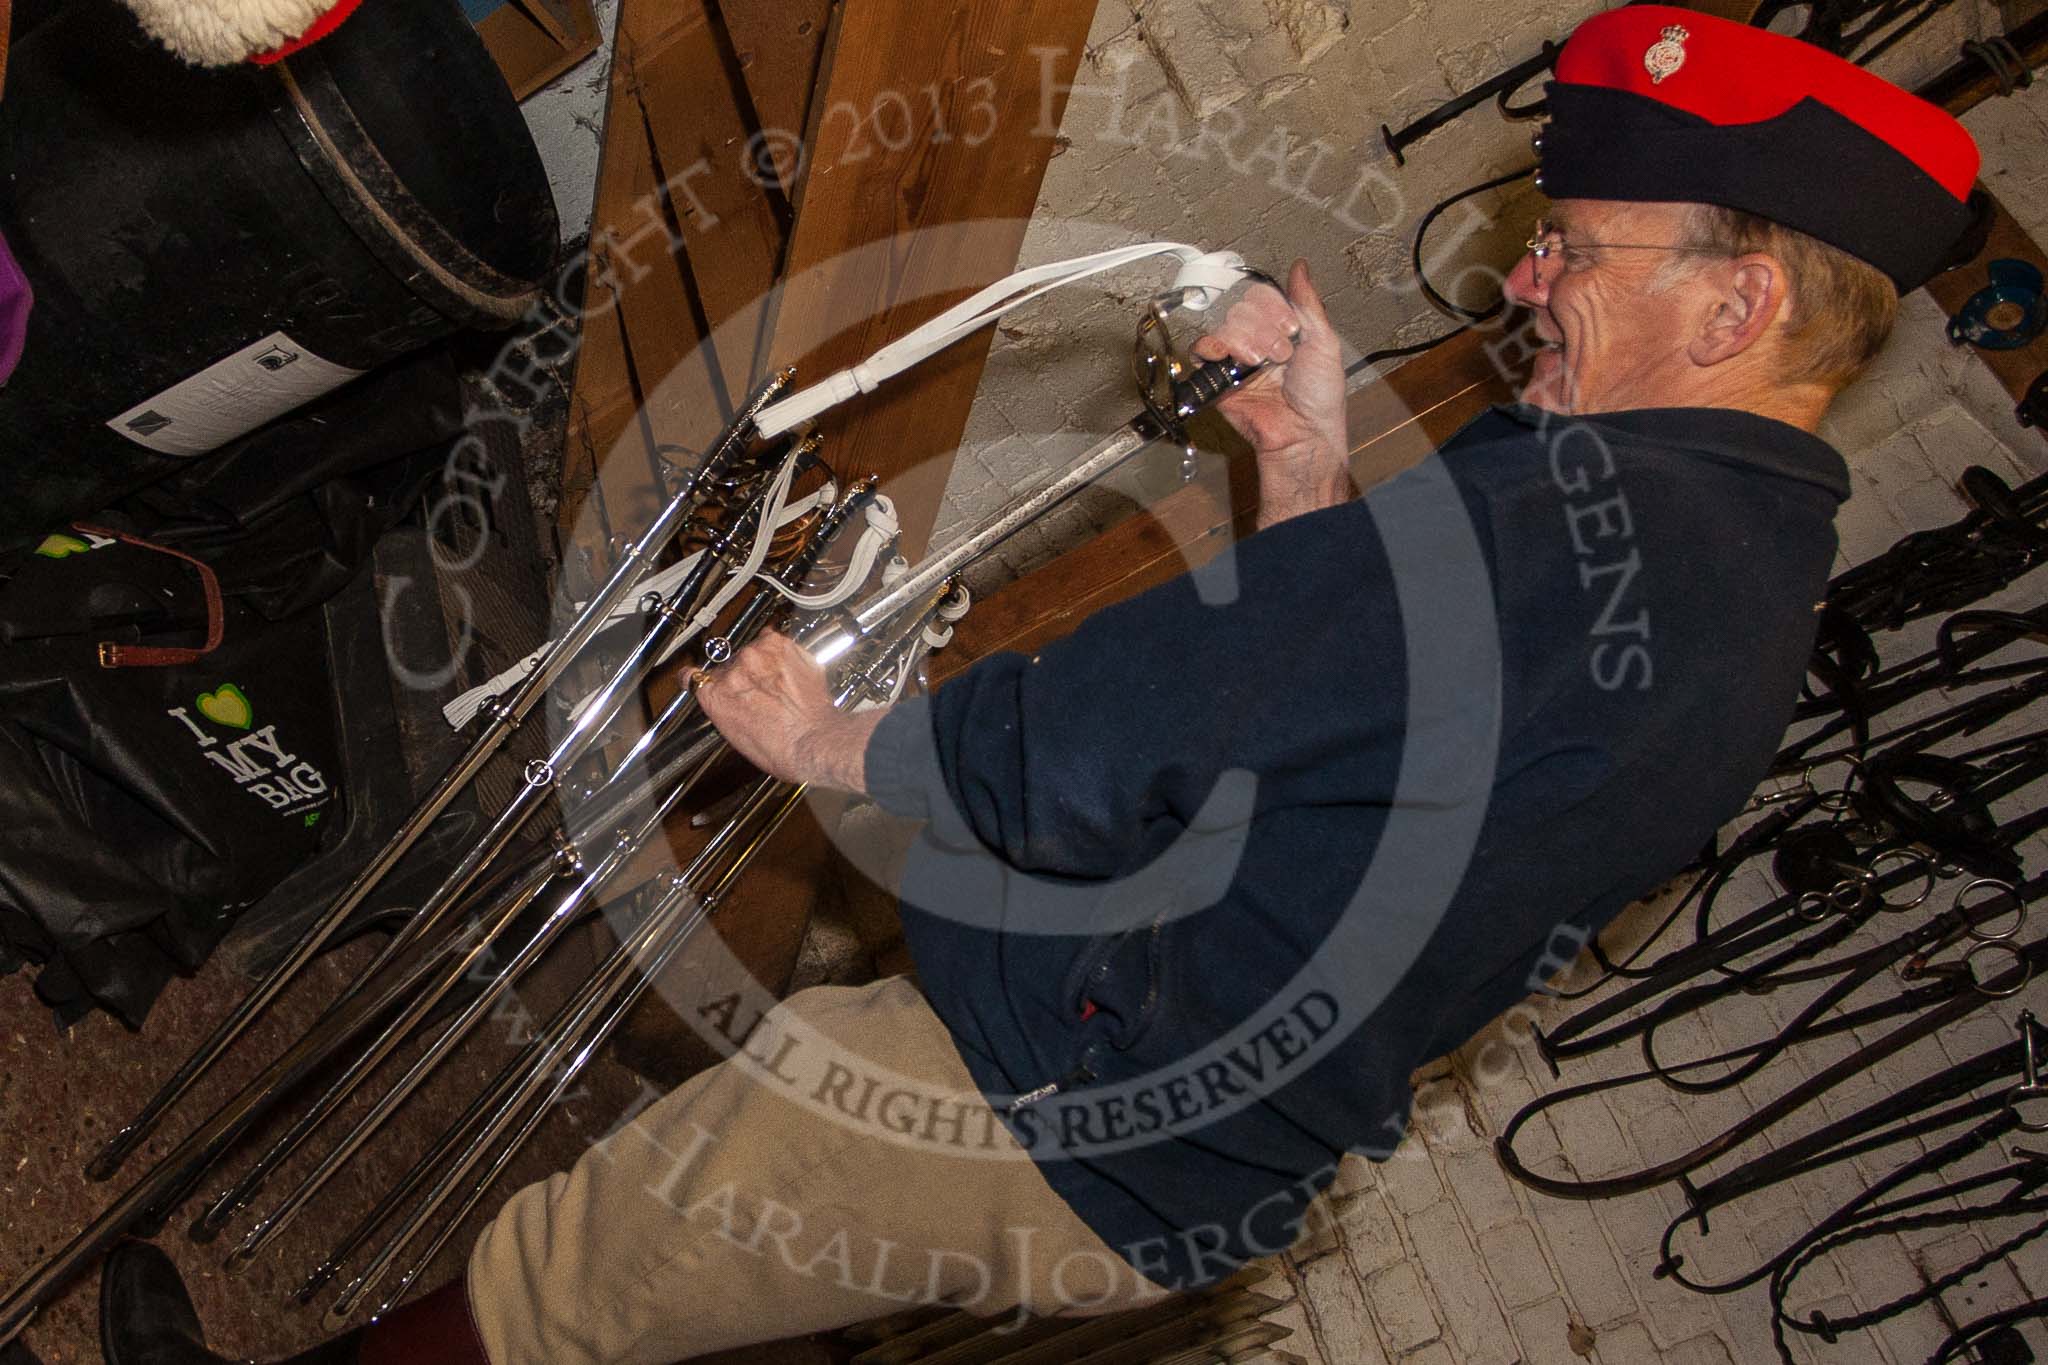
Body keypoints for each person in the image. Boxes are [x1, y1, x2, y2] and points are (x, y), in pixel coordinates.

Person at [95, 6, 1987, 1364]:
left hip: (1079, 1101)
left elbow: (1119, 739)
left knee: (584, 1276)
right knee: (630, 1267)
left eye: (1582, 248)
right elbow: (1351, 739)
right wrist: (1305, 465)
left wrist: (846, 740)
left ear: (1736, 307)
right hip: (1161, 1108)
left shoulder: (1608, 523)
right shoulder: (1728, 554)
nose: (1531, 274)